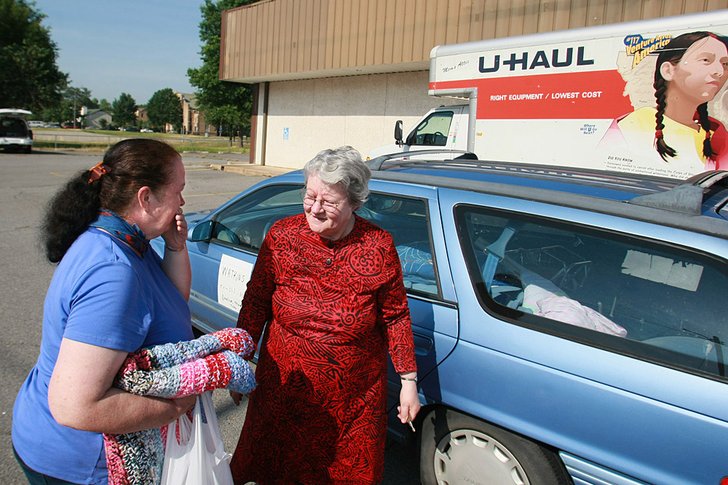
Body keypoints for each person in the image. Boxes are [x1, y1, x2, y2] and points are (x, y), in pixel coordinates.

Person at [230, 146, 421, 484]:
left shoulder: (378, 245)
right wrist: (239, 362)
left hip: (352, 400)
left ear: (355, 203)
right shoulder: (281, 236)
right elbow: (256, 301)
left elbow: (395, 315)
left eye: (330, 202)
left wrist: (408, 382)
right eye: (309, 196)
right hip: (284, 387)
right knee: (278, 469)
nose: (315, 209)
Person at [12, 139, 196, 484]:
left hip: (62, 444)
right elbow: (75, 406)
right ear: (146, 198)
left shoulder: (126, 240)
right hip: (78, 462)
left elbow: (171, 301)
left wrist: (175, 247)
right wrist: (177, 405)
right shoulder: (114, 271)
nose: (183, 202)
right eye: (178, 190)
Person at [601, 31, 728, 177]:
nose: (720, 71)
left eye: (725, 64)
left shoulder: (717, 135)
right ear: (668, 70)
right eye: (706, 60)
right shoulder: (632, 126)